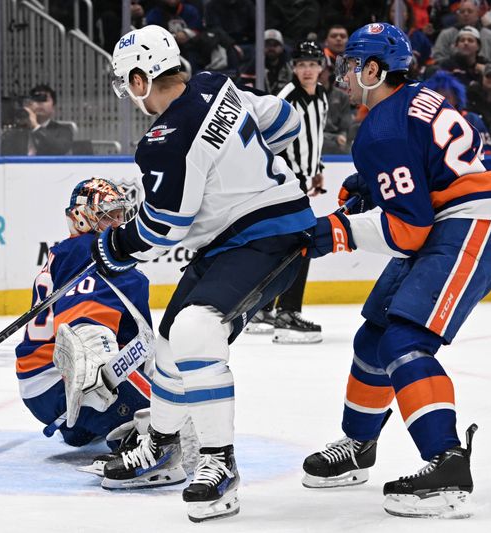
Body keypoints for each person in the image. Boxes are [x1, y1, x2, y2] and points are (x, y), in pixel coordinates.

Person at [91, 25, 330, 522]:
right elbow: (284, 120)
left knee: (197, 328)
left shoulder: (162, 141)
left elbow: (164, 226)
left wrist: (115, 244)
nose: (128, 93)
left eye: (126, 82)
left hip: (269, 238)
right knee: (167, 344)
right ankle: (162, 444)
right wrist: (238, 173)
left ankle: (218, 463)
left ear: (141, 80)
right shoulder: (216, 85)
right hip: (235, 240)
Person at [300, 22, 491, 518]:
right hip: (458, 216)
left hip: (471, 226)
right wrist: (373, 186)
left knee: (404, 340)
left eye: (353, 65)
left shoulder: (380, 128)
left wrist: (339, 231)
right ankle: (359, 445)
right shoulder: (415, 98)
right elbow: (423, 166)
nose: (346, 74)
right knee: (373, 336)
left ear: (375, 70)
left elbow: (409, 231)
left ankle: (446, 465)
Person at [15, 178, 154, 449]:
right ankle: (140, 442)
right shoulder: (86, 250)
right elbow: (84, 328)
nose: (118, 225)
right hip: (61, 380)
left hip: (43, 386)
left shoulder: (73, 252)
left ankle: (84, 425)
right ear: (82, 218)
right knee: (165, 417)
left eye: (119, 216)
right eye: (108, 217)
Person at [246, 41, 328, 343]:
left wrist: (316, 169)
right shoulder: (285, 99)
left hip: (301, 182)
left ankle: (264, 307)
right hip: (282, 185)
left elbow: (315, 135)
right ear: (293, 68)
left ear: (321, 67)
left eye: (312, 63)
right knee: (302, 242)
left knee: (287, 245)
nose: (307, 69)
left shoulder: (321, 96)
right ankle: (286, 312)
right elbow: (263, 141)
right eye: (301, 64)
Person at [4, 84, 74, 156]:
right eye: (36, 99)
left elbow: (58, 150)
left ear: (53, 108)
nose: (40, 103)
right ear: (29, 105)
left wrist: (36, 127)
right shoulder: (17, 132)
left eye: (44, 99)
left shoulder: (64, 131)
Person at [432, 0, 491, 67]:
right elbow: (437, 59)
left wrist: (488, 70)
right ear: (457, 15)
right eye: (462, 12)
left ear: (477, 14)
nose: (466, 14)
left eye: (470, 11)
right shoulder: (446, 35)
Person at [238, 29, 293, 96]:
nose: (271, 48)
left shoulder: (289, 65)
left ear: (282, 47)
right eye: (267, 45)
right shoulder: (254, 65)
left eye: (275, 45)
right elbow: (242, 85)